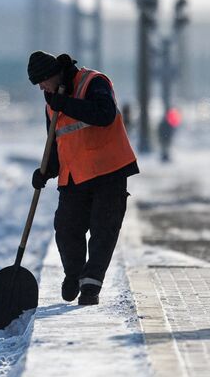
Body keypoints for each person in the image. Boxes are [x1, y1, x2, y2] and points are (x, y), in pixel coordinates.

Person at [27, 50, 139, 305]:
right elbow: (56, 144)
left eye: (42, 82)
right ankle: (74, 274)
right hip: (74, 177)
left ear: (53, 75)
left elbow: (104, 114)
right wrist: (44, 172)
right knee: (66, 230)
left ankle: (91, 285)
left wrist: (64, 103)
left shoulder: (94, 82)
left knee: (104, 229)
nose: (41, 88)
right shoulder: (51, 103)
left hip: (108, 171)